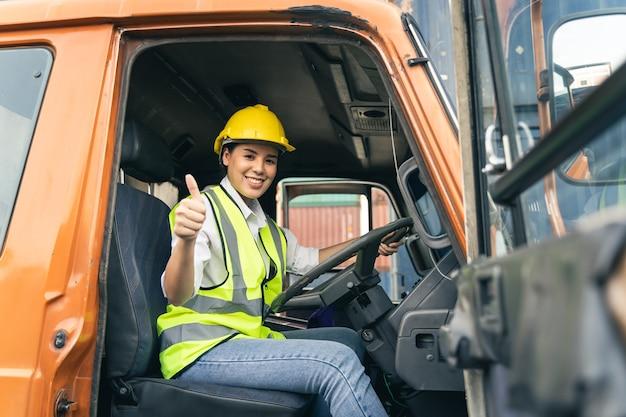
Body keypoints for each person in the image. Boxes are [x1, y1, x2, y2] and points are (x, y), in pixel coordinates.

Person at [157, 104, 402, 417]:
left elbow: (311, 261)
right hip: (199, 350)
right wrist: (187, 241)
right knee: (335, 363)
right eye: (249, 155)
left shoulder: (267, 228)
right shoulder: (201, 212)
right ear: (226, 156)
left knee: (347, 340)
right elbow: (176, 293)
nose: (260, 168)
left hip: (245, 339)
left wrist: (368, 243)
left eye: (269, 160)